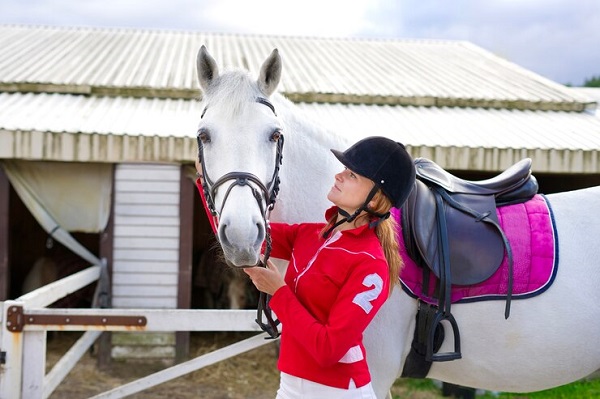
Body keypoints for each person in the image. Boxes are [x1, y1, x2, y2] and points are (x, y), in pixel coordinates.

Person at [244, 136, 416, 399]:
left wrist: (278, 292)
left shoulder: (371, 267)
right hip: (290, 385)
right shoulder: (309, 234)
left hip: (338, 392)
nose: (338, 176)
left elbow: (328, 349)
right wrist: (206, 180)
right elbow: (241, 236)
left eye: (352, 175)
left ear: (374, 201)